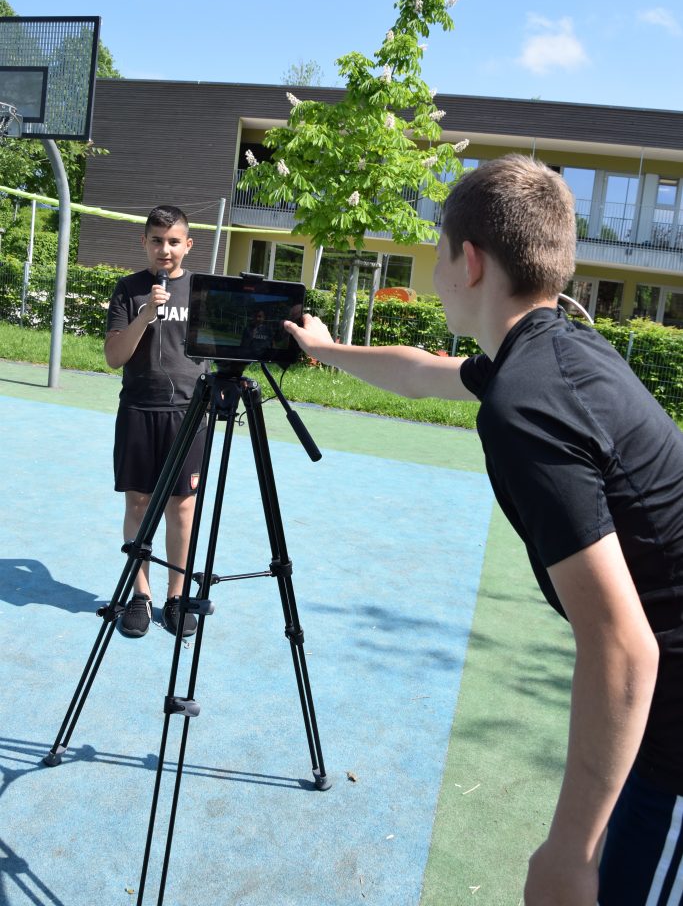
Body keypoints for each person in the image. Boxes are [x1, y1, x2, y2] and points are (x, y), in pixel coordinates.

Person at [283, 155, 683, 906]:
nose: (433, 273)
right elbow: (422, 372)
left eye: (436, 254)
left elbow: (624, 644)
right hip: (655, 720)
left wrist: (569, 852)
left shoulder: (526, 407)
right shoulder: (553, 350)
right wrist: (324, 349)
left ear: (468, 261)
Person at [105, 204, 207, 640]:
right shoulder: (128, 290)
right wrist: (146, 314)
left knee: (181, 508)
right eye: (156, 240)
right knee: (139, 504)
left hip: (189, 415)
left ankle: (176, 595)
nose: (164, 249)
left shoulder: (203, 291)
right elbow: (113, 357)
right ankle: (140, 594)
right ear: (144, 242)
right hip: (139, 411)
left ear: (188, 245)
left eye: (173, 241)